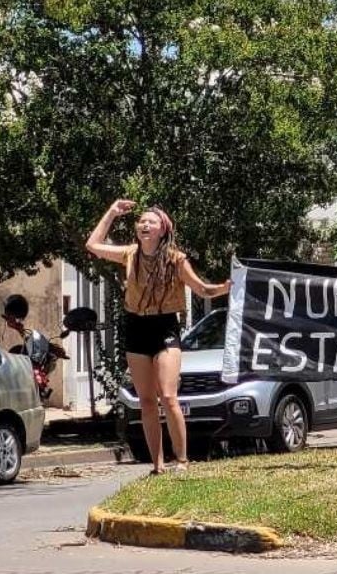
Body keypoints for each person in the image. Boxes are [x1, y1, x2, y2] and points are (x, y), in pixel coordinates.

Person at [86, 200, 231, 474]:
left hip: (165, 327)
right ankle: (157, 464)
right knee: (147, 401)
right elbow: (93, 245)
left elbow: (202, 290)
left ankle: (182, 460)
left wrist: (224, 288)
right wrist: (112, 212)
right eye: (141, 221)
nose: (144, 224)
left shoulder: (176, 260)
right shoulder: (130, 255)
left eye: (151, 221)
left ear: (163, 229)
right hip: (136, 327)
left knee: (168, 395)